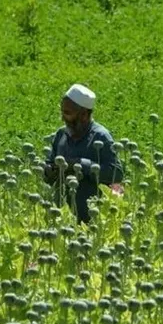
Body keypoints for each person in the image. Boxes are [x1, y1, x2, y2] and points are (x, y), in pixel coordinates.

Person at [43, 84, 124, 224]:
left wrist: (80, 164)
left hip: (93, 219)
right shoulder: (61, 135)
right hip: (62, 219)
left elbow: (116, 173)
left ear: (84, 115)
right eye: (62, 112)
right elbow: (50, 164)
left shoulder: (101, 137)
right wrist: (48, 171)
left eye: (67, 113)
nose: (63, 118)